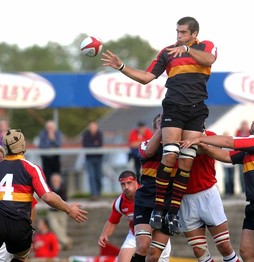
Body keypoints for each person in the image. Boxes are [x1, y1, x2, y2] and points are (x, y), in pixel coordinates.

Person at [101, 16, 217, 235]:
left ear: (194, 34)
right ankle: (158, 209)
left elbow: (209, 60)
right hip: (173, 107)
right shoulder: (167, 51)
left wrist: (186, 49)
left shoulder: (205, 46)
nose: (179, 36)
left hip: (196, 109)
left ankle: (172, 213)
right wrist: (122, 67)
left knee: (185, 162)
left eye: (183, 32)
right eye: (177, 32)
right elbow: (146, 77)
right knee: (170, 155)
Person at [181, 113, 254, 262]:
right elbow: (225, 156)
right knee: (247, 253)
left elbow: (228, 141)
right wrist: (203, 146)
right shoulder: (252, 149)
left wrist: (199, 138)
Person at [0, 129, 88, 262]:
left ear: (6, 147)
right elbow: (47, 196)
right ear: (23, 146)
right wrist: (69, 209)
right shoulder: (31, 168)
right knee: (21, 256)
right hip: (18, 224)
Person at [178, 130, 240, 262]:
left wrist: (196, 139)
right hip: (184, 197)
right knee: (199, 250)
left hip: (207, 194)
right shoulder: (174, 137)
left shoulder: (210, 135)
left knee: (224, 246)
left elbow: (215, 150)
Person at [131, 113, 172, 262]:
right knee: (143, 246)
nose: (166, 123)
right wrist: (164, 127)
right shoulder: (145, 144)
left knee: (154, 255)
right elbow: (148, 152)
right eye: (161, 122)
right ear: (155, 128)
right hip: (146, 200)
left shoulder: (176, 147)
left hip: (168, 202)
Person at [98, 171, 140, 262]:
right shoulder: (119, 202)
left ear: (136, 182)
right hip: (135, 234)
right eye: (123, 184)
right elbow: (113, 220)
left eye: (129, 183)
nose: (126, 187)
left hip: (154, 235)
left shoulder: (147, 194)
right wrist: (104, 235)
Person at [47, 173, 73, 250]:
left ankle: (61, 245)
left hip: (61, 211)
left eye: (56, 180)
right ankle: (66, 241)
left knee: (62, 228)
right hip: (52, 211)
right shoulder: (49, 188)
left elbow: (64, 199)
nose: (55, 181)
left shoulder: (63, 187)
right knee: (54, 226)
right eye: (54, 180)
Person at [82, 120, 104, 200]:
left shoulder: (99, 134)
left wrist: (92, 145)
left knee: (98, 176)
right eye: (91, 127)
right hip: (89, 158)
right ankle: (94, 194)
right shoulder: (85, 135)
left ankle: (98, 193)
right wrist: (94, 144)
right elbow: (85, 145)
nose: (92, 128)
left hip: (98, 158)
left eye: (94, 127)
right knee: (91, 176)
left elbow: (99, 144)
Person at [38, 120, 63, 186]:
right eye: (48, 127)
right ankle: (48, 190)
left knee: (57, 175)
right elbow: (42, 145)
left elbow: (59, 144)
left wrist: (53, 139)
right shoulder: (42, 134)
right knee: (47, 176)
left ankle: (57, 191)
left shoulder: (58, 134)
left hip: (55, 158)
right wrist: (49, 140)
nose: (50, 129)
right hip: (46, 158)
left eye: (51, 127)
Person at [235, 120, 250, 195]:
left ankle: (249, 189)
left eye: (245, 125)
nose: (244, 127)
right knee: (241, 174)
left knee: (249, 173)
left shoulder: (250, 132)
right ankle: (243, 190)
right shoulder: (238, 132)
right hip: (240, 155)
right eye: (243, 125)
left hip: (249, 155)